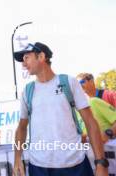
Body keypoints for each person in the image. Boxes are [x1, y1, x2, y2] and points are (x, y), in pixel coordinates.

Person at [13, 42, 108, 176]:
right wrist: (17, 159)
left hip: (75, 165)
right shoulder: (28, 91)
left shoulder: (69, 82)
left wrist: (101, 163)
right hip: (39, 168)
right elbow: (21, 128)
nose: (23, 63)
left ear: (41, 56)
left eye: (27, 57)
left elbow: (90, 122)